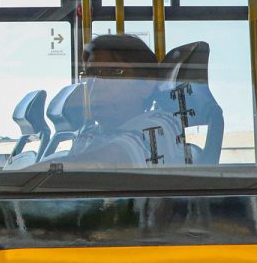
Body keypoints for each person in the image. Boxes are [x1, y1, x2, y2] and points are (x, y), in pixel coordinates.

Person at [46, 34, 189, 167]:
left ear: (146, 85)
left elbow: (101, 164)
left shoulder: (162, 125)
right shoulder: (90, 133)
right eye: (91, 75)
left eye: (114, 72)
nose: (96, 85)